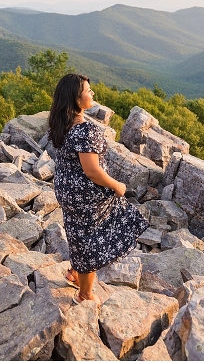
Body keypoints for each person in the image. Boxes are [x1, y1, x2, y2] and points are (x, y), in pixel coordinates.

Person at [48, 73, 149, 304]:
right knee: (93, 240)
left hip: (67, 192)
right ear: (76, 98)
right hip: (86, 197)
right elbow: (92, 171)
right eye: (87, 90)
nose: (92, 93)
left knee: (78, 234)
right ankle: (85, 294)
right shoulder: (86, 130)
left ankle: (75, 271)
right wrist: (117, 185)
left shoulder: (60, 124)